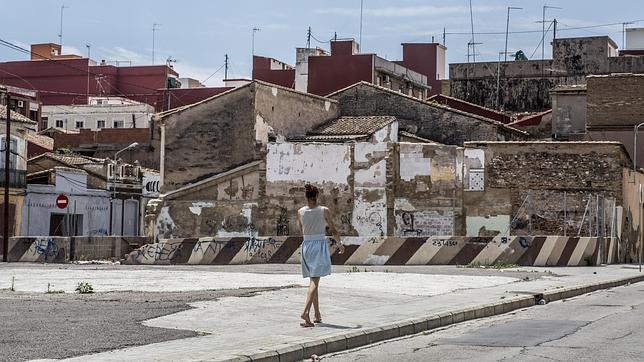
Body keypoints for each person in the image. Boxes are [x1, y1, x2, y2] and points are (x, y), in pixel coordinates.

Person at [297, 184, 344, 328]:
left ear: (306, 196)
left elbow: (301, 230)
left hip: (306, 245)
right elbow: (334, 229)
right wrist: (339, 244)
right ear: (317, 196)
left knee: (313, 279)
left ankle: (317, 314)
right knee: (315, 281)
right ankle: (305, 312)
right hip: (318, 245)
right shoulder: (324, 210)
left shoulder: (300, 212)